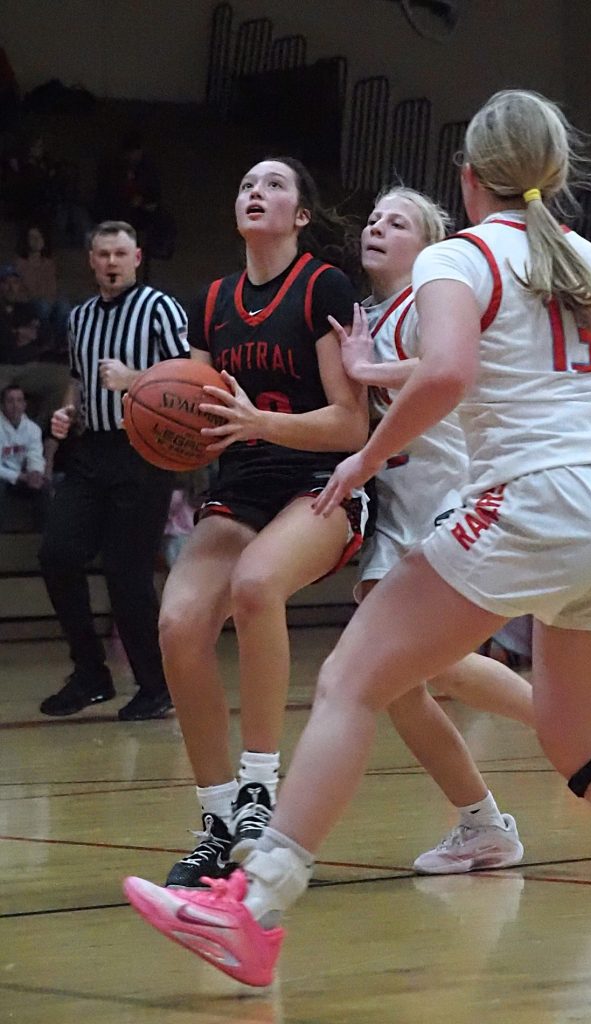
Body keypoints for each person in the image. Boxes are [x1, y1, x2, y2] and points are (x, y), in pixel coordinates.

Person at [124, 90, 591, 984]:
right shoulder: (586, 258)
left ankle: (250, 908)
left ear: (468, 176)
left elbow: (447, 373)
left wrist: (365, 458)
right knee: (583, 743)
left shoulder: (461, 254)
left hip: (538, 495)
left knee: (350, 680)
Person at [152, 156, 369, 890]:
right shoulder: (210, 301)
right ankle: (217, 819)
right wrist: (168, 424)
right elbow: (192, 410)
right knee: (178, 624)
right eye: (246, 183)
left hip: (322, 482)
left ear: (301, 214)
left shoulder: (323, 286)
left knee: (254, 585)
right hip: (241, 484)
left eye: (273, 184)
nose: (255, 191)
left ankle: (258, 787)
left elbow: (349, 423)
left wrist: (258, 423)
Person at [337, 185, 531, 873]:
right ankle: (484, 821)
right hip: (394, 509)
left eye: (397, 221)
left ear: (426, 242)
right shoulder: (361, 315)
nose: (377, 227)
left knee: (419, 667)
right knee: (404, 680)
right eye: (372, 218)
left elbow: (446, 370)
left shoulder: (432, 295)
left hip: (449, 493)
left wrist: (367, 370)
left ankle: (566, 728)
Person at [38, 220, 188, 720]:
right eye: (102, 254)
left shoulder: (160, 309)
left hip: (144, 449)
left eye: (120, 254)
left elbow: (190, 379)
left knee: (127, 574)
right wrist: (68, 412)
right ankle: (91, 674)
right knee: (56, 553)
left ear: (138, 257)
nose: (111, 262)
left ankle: (155, 686)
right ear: (91, 260)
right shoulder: (79, 317)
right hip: (91, 450)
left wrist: (134, 380)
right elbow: (78, 381)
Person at [0, 382, 47, 529]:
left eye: (19, 400)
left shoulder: (33, 429)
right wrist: (18, 476)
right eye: (10, 401)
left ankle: (43, 535)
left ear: (25, 405)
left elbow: (35, 454)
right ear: (2, 405)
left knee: (45, 486)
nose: (15, 405)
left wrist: (35, 472)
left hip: (22, 476)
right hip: (4, 476)